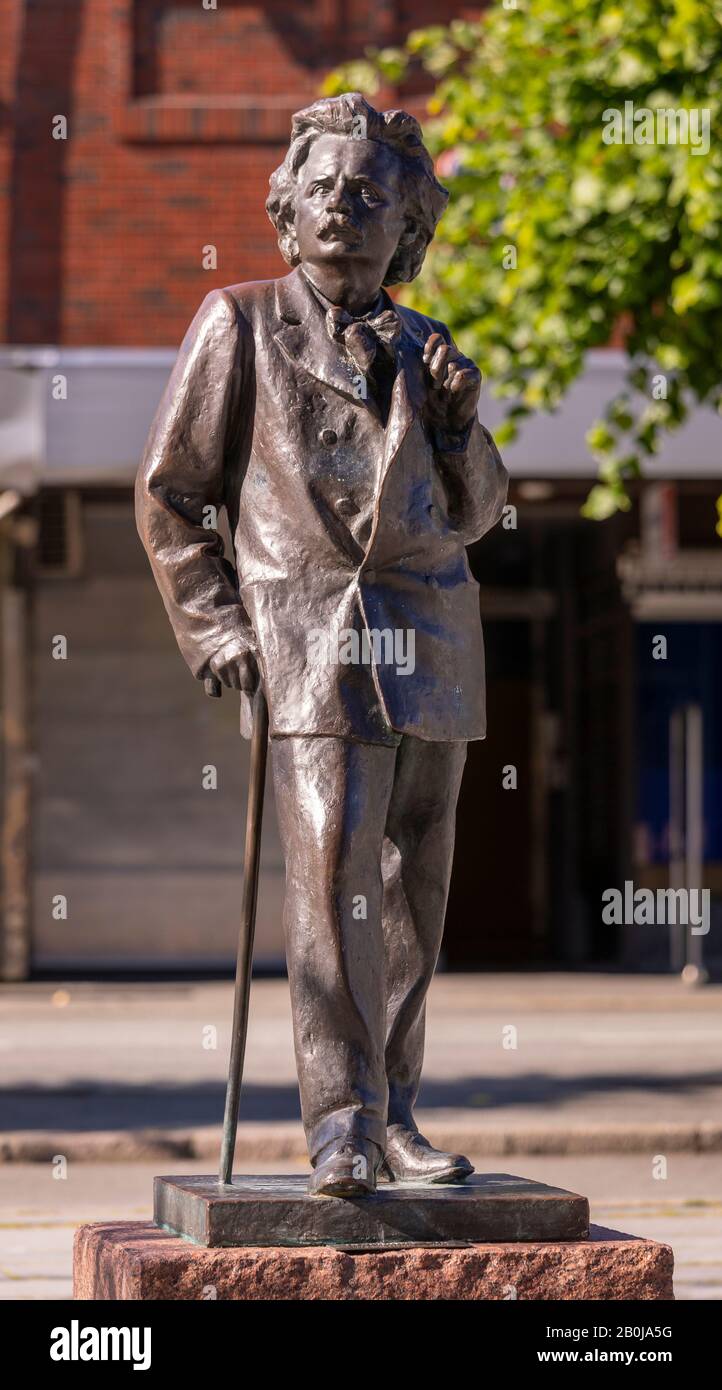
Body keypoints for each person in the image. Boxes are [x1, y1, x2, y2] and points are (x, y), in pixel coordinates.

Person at [136, 93, 508, 1196]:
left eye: (370, 194)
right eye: (320, 191)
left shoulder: (428, 346)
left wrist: (453, 424)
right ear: (285, 212)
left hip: (430, 642)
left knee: (412, 887)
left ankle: (394, 1112)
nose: (342, 208)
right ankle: (336, 1120)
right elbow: (170, 495)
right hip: (307, 641)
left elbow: (480, 509)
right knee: (332, 864)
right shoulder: (238, 321)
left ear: (407, 229)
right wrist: (214, 625)